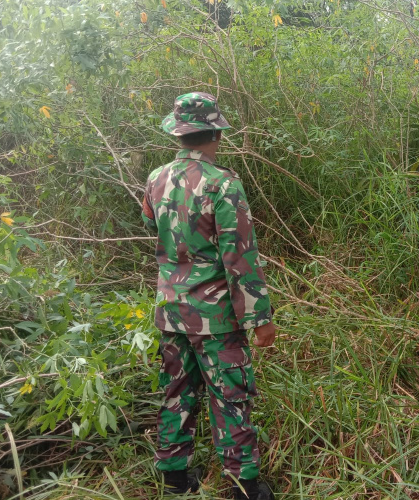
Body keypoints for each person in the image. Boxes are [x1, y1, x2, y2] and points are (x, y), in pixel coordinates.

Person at [141, 92, 276, 500]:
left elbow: (153, 228)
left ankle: (174, 479)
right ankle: (243, 486)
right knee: (231, 396)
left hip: (170, 311)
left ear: (178, 134)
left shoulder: (155, 178)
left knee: (176, 393)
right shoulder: (223, 185)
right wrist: (259, 319)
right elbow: (240, 258)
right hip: (215, 318)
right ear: (216, 133)